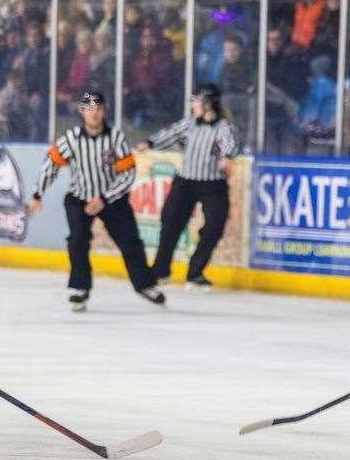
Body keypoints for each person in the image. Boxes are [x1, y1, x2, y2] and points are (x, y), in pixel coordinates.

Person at [28, 91, 165, 311]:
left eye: (99, 109)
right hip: (79, 198)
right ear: (82, 111)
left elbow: (128, 174)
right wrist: (37, 194)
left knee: (130, 242)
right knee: (77, 241)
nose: (94, 113)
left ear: (104, 111)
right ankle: (80, 288)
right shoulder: (71, 138)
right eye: (89, 108)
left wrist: (104, 198)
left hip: (111, 199)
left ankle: (145, 284)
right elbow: (50, 165)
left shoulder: (116, 138)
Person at [137, 83, 240, 290]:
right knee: (171, 224)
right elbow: (171, 133)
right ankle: (160, 271)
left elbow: (229, 143)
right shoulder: (191, 123)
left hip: (213, 184)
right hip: (186, 181)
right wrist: (150, 143)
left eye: (197, 101)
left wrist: (227, 157)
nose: (194, 105)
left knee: (214, 226)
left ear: (209, 103)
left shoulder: (224, 127)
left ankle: (195, 272)